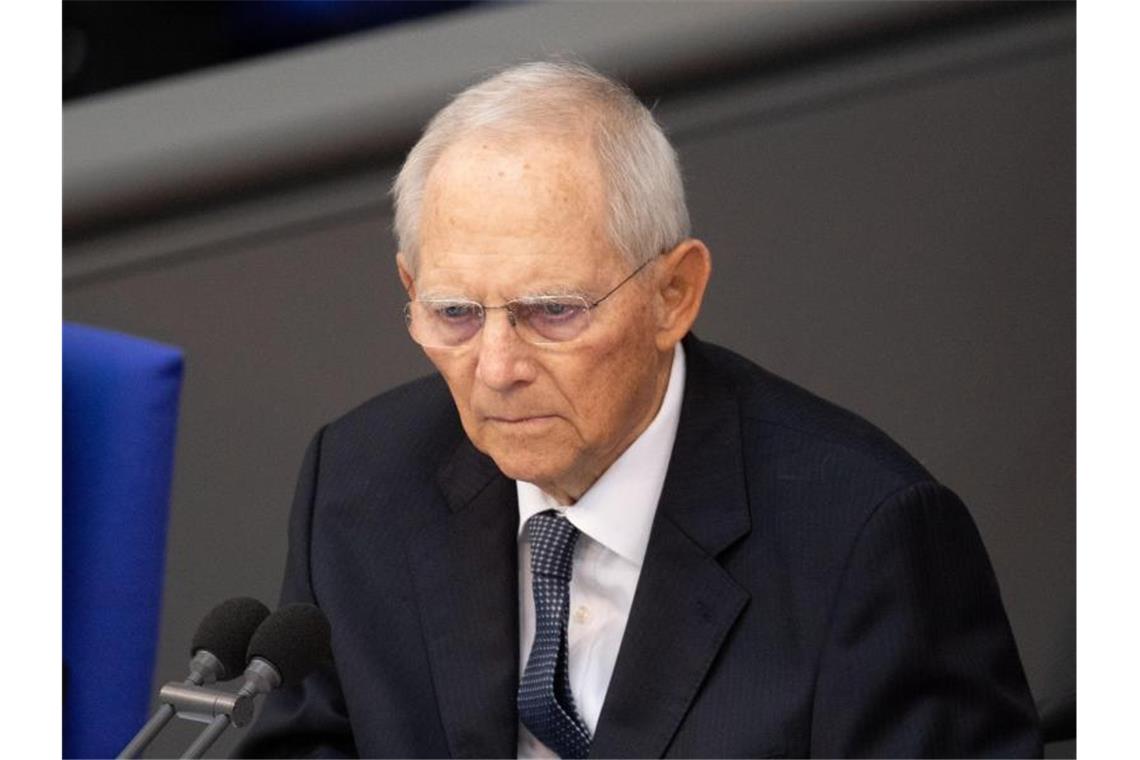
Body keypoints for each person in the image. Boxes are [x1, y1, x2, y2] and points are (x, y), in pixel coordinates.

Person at [237, 61, 1041, 758]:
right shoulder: (360, 485)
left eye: (552, 310)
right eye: (454, 314)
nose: (498, 368)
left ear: (672, 295)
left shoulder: (867, 541)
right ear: (411, 292)